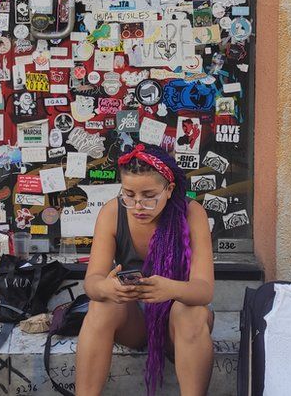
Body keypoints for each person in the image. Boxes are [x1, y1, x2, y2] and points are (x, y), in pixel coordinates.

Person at [76, 144, 215, 396]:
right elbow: (92, 282)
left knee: (190, 314)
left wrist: (169, 289)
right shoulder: (112, 212)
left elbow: (204, 291)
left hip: (178, 324)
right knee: (100, 304)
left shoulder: (192, 213)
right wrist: (106, 287)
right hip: (135, 322)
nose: (138, 205)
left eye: (149, 195)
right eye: (128, 194)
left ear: (169, 190)